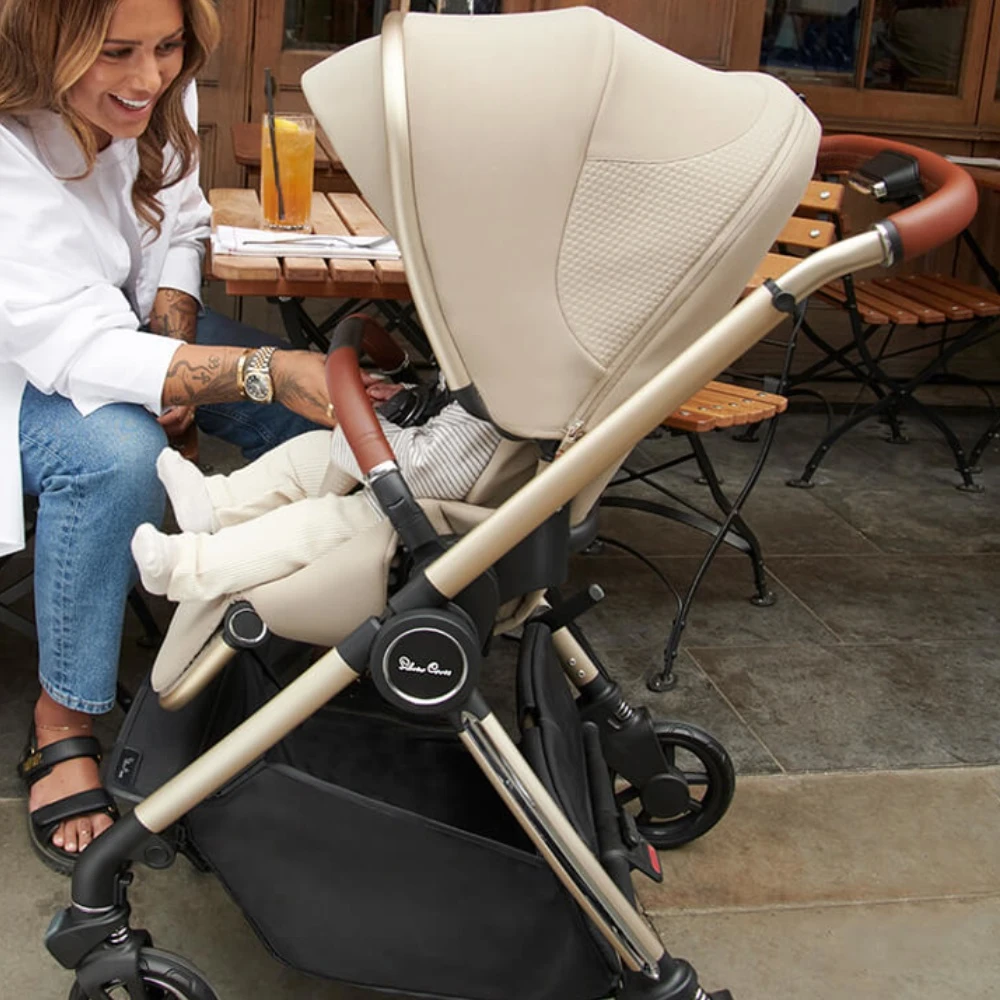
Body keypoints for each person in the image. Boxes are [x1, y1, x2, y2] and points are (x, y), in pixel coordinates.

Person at [0, 0, 332, 872]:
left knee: (320, 400)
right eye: (114, 53)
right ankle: (64, 717)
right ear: (45, 41)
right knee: (119, 455)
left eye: (167, 46)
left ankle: (334, 619)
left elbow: (180, 226)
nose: (148, 78)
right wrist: (230, 371)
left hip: (115, 326)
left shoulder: (151, 96)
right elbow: (66, 345)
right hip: (18, 371)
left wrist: (173, 331)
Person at [130, 377, 502, 601]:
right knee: (312, 453)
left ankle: (186, 564)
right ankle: (216, 502)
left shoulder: (511, 382)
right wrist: (404, 396)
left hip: (435, 521)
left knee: (315, 521)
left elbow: (427, 472)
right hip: (413, 483)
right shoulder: (491, 351)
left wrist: (357, 422)